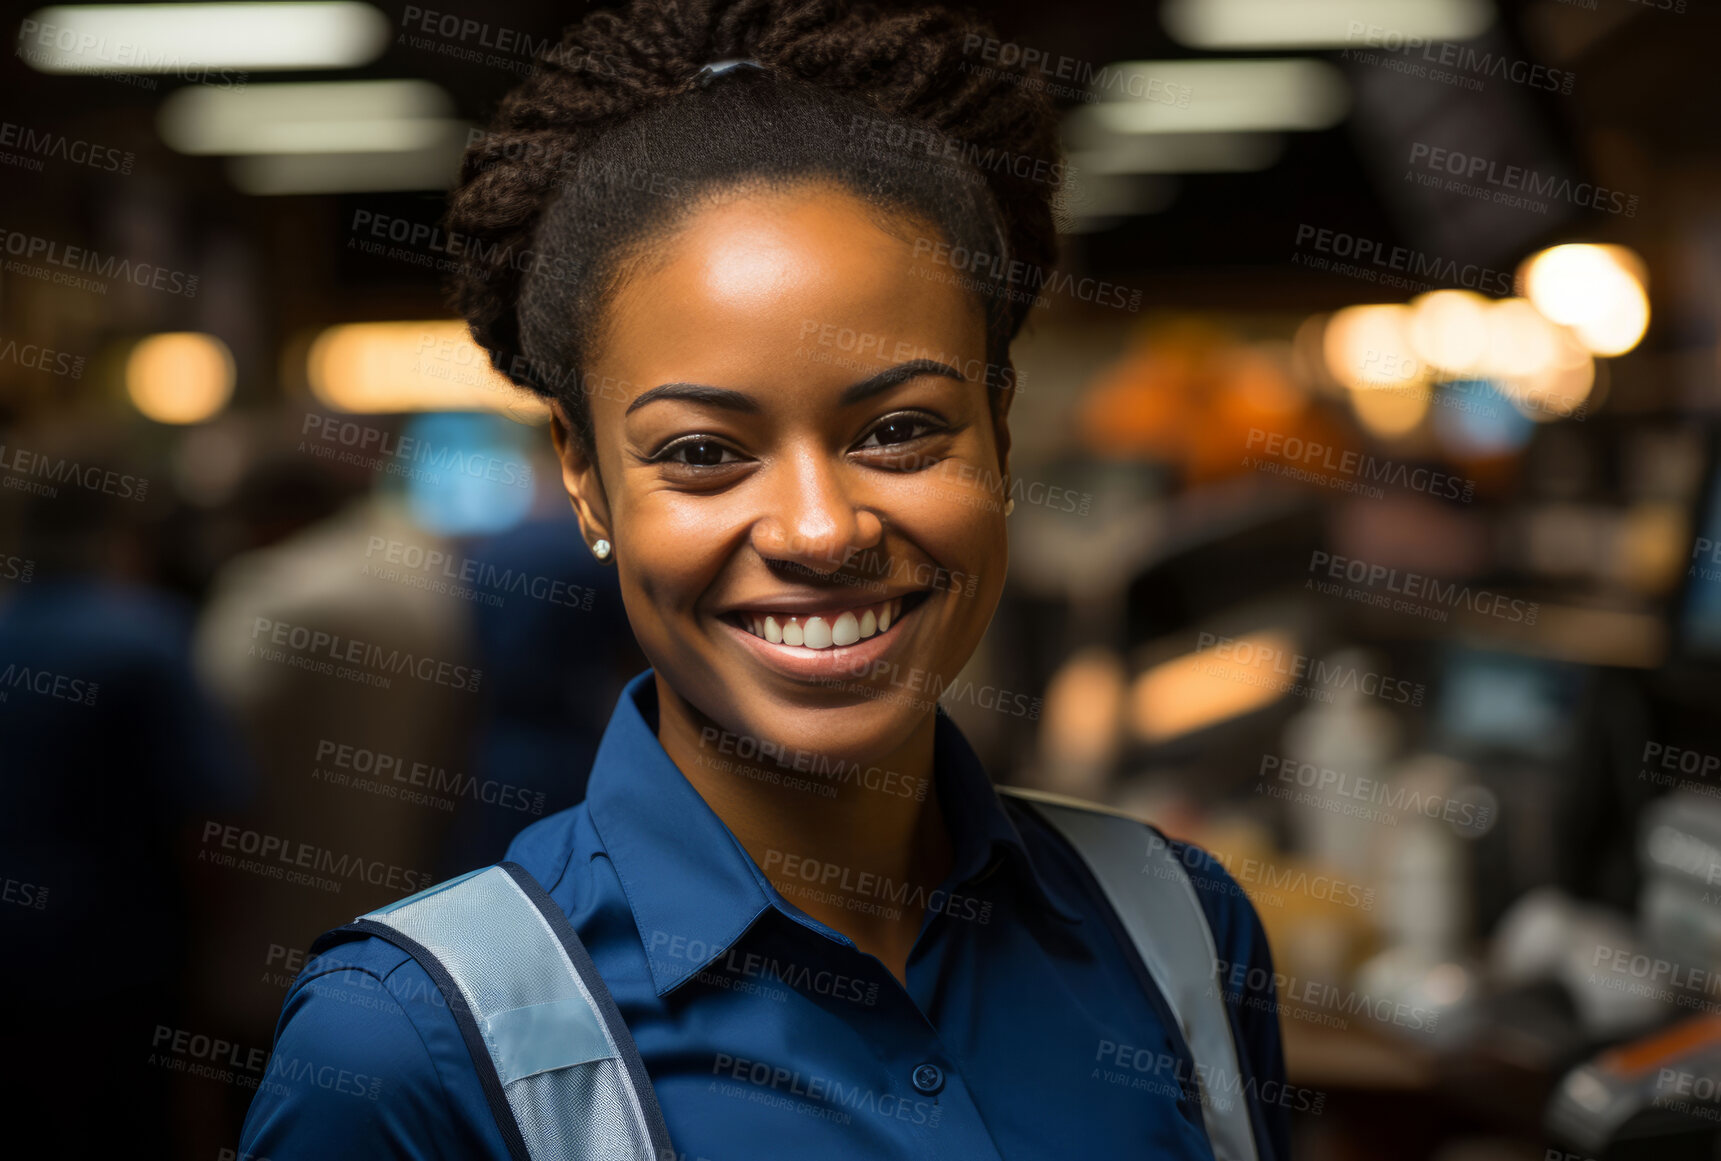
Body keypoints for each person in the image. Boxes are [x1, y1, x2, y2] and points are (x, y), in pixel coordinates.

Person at [238, 1, 1291, 1157]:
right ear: (585, 479)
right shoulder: (410, 1048)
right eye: (701, 453)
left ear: (999, 430)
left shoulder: (1180, 928)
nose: (817, 528)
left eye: (897, 430)